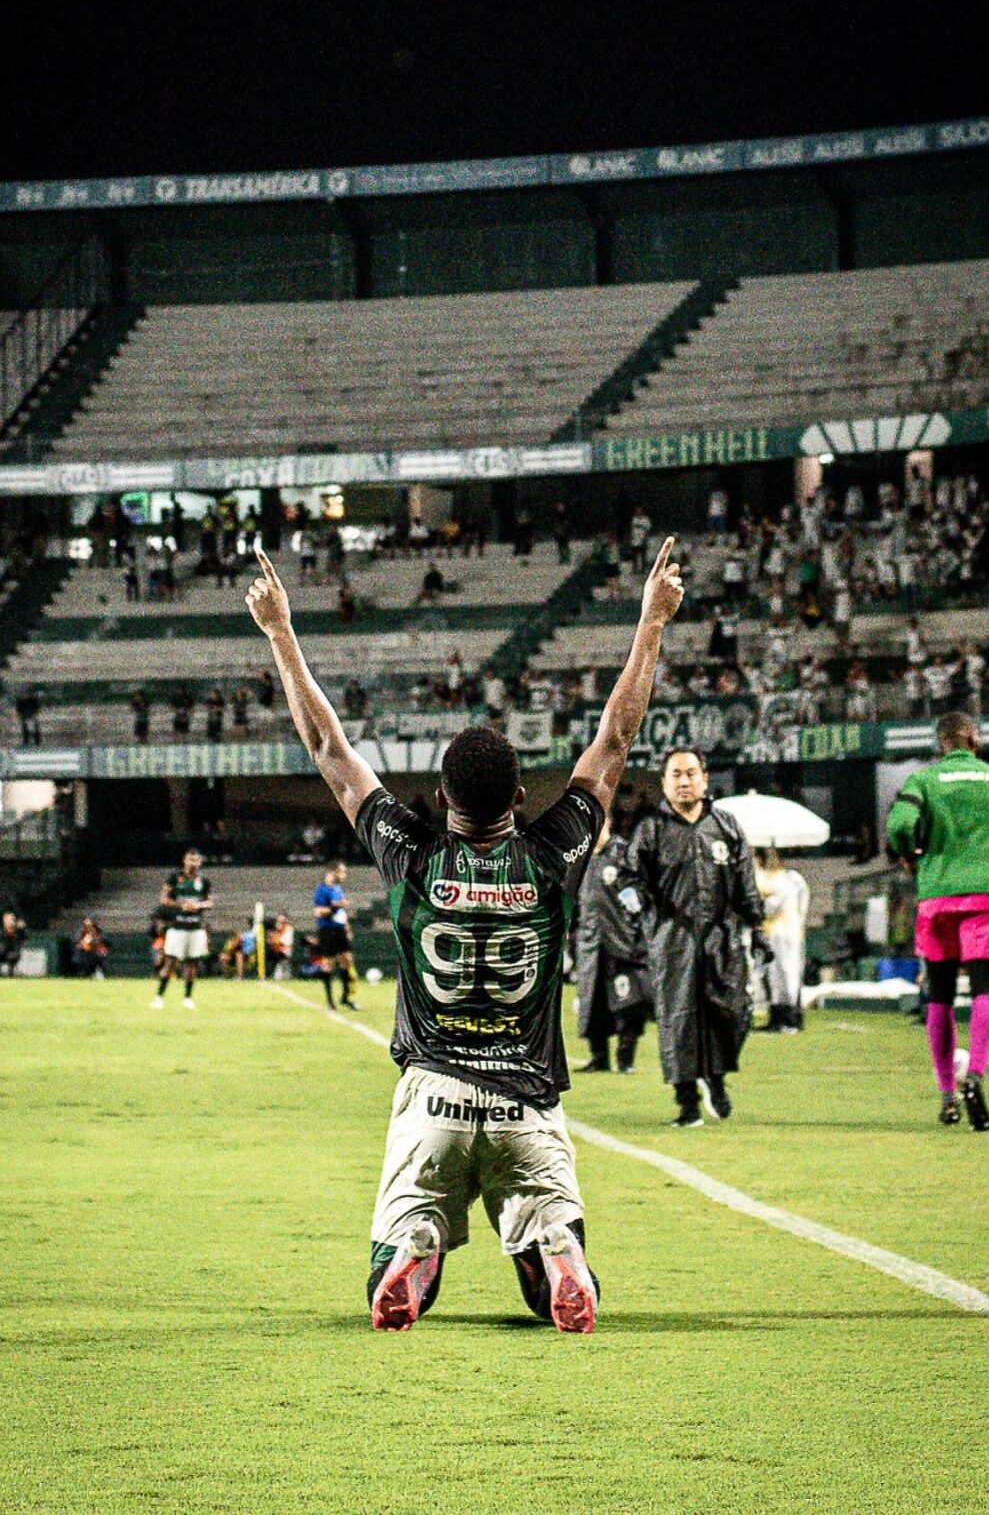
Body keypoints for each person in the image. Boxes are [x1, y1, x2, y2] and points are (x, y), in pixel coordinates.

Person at [245, 534, 684, 1334]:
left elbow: (329, 749)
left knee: (408, 1251)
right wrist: (652, 620)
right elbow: (615, 742)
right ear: (521, 795)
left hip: (433, 1099)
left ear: (440, 796)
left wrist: (280, 631)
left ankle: (415, 1248)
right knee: (542, 1261)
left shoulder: (409, 853)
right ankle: (556, 1250)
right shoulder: (555, 852)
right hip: (528, 1106)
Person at [885, 710, 989, 1131]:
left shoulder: (924, 781)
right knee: (986, 989)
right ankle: (975, 1074)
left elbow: (899, 826)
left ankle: (947, 1096)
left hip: (937, 896)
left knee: (939, 997)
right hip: (986, 896)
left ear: (941, 743)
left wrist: (913, 854)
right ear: (974, 737)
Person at [627, 749, 771, 1127]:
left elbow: (745, 882)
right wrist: (638, 908)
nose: (684, 781)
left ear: (705, 779)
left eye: (691, 773)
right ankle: (687, 1101)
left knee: (734, 1010)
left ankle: (716, 1077)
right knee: (679, 1020)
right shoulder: (650, 829)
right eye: (676, 774)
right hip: (672, 938)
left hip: (722, 937)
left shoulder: (726, 826)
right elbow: (628, 880)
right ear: (664, 783)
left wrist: (757, 929)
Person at [573, 814, 651, 1074]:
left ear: (607, 824)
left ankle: (625, 1058)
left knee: (628, 1002)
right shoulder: (581, 859)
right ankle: (599, 1058)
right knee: (593, 1003)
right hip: (591, 943)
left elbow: (642, 888)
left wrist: (636, 907)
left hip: (622, 941)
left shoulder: (622, 852)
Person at [754, 849, 810, 1032]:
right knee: (774, 976)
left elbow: (771, 906)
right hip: (774, 933)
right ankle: (778, 1018)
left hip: (785, 933)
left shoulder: (784, 879)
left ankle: (790, 1019)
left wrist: (755, 906)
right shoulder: (770, 878)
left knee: (787, 974)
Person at [152, 850, 212, 1009]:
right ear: (184, 861)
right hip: (177, 927)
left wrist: (198, 905)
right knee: (170, 962)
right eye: (190, 860)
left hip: (196, 927)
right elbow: (164, 899)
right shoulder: (174, 878)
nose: (193, 863)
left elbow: (209, 902)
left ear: (200, 862)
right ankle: (159, 997)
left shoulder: (204, 881)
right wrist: (181, 905)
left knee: (192, 963)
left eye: (196, 860)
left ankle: (187, 998)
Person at [313, 862, 360, 1011]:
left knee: (347, 960)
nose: (344, 875)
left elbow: (342, 913)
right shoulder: (322, 890)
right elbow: (318, 912)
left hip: (340, 930)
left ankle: (345, 997)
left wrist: (347, 928)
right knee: (328, 964)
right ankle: (330, 1001)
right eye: (342, 872)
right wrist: (336, 906)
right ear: (333, 872)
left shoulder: (338, 889)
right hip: (327, 931)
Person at [0, 910, 27, 977]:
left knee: (12, 956)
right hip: (1, 952)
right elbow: (0, 943)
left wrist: (22, 929)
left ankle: (11, 974)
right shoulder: (1, 931)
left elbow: (24, 939)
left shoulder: (18, 931)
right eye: (9, 919)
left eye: (13, 919)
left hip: (13, 952)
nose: (11, 921)